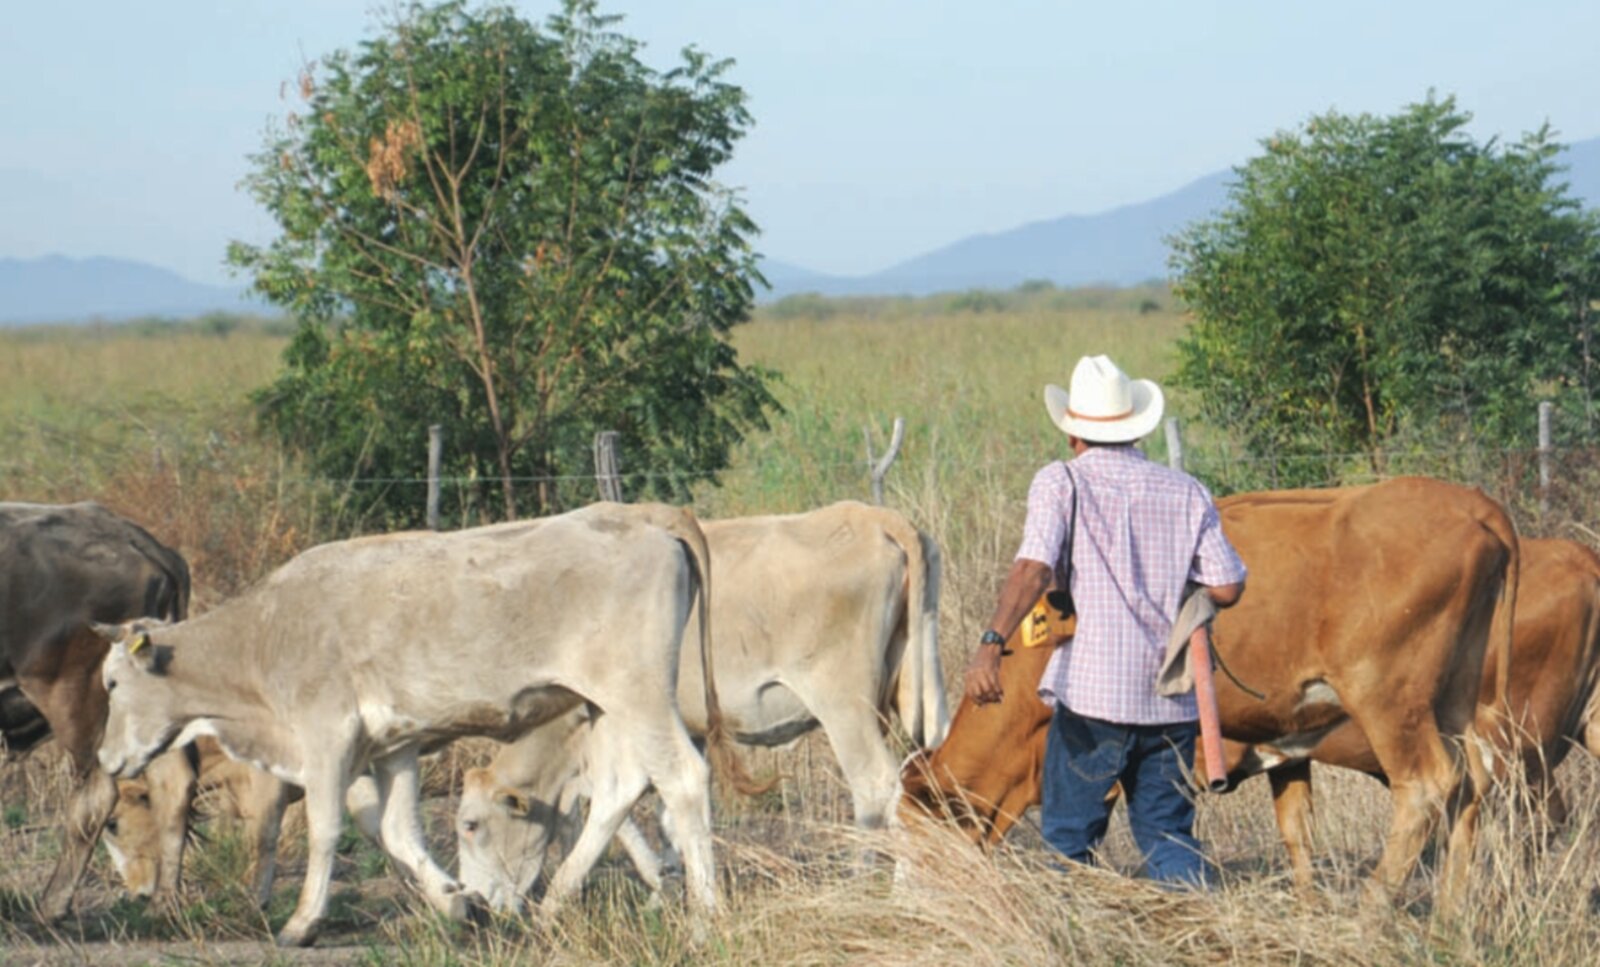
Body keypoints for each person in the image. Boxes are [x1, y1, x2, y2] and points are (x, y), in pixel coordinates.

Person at [964, 354, 1247, 885]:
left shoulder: (1061, 482)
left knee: (1070, 840)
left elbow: (1032, 568)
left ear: (1073, 434)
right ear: (1135, 430)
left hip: (1092, 699)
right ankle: (1208, 938)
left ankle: (1077, 945)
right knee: (1168, 836)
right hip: (1170, 697)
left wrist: (990, 644)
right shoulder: (1186, 491)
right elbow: (1228, 585)